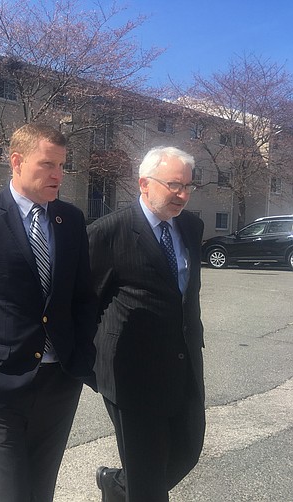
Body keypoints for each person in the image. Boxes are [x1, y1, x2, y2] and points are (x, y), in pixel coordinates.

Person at [0, 123, 97, 502]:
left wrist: (81, 354)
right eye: (48, 164)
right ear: (17, 161)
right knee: (4, 494)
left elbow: (83, 296)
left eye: (62, 165)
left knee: (40, 491)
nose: (58, 175)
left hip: (58, 383)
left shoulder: (71, 220)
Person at [88, 146, 205, 502]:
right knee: (149, 482)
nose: (182, 195)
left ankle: (116, 484)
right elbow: (84, 303)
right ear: (144, 183)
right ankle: (132, 487)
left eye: (187, 186)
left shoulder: (191, 226)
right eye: (174, 185)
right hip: (131, 374)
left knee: (187, 450)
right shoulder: (108, 233)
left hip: (183, 364)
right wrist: (92, 365)